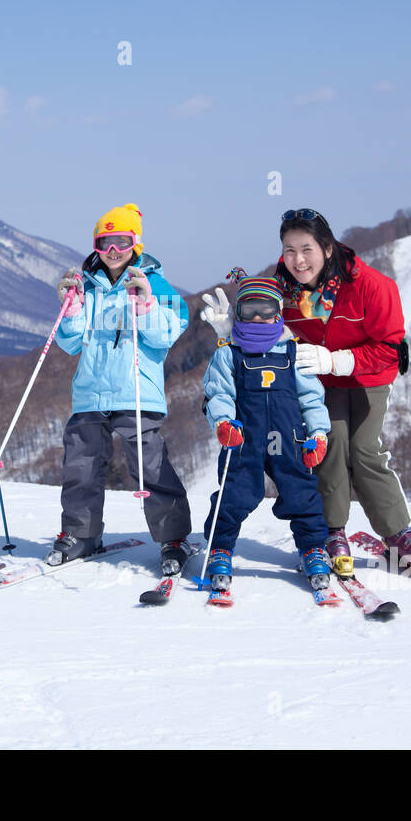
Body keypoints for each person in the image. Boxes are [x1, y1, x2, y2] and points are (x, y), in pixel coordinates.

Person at [267, 208, 411, 578]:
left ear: (328, 248)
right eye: (289, 250)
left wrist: (335, 360)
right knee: (329, 444)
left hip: (368, 376)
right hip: (320, 382)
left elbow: (389, 349)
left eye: (306, 249)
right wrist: (232, 328)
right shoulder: (282, 290)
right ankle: (332, 530)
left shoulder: (370, 285)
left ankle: (398, 532)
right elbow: (263, 327)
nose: (297, 260)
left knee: (364, 449)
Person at [49, 203, 192, 574]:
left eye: (121, 242)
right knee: (80, 465)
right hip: (91, 392)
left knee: (149, 466)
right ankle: (81, 533)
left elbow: (168, 334)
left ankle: (173, 537)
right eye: (104, 244)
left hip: (135, 392)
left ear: (136, 244)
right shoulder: (88, 284)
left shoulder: (154, 282)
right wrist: (74, 308)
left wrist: (146, 303)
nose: (113, 252)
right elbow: (70, 344)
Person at [200, 273, 332, 597]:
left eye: (265, 309)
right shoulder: (229, 353)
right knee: (235, 493)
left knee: (302, 493)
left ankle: (313, 548)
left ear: (279, 312)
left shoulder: (293, 353)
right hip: (244, 439)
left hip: (290, 438)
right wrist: (223, 423)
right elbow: (218, 394)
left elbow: (311, 398)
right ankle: (220, 548)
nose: (258, 318)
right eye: (249, 310)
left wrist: (318, 434)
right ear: (238, 313)